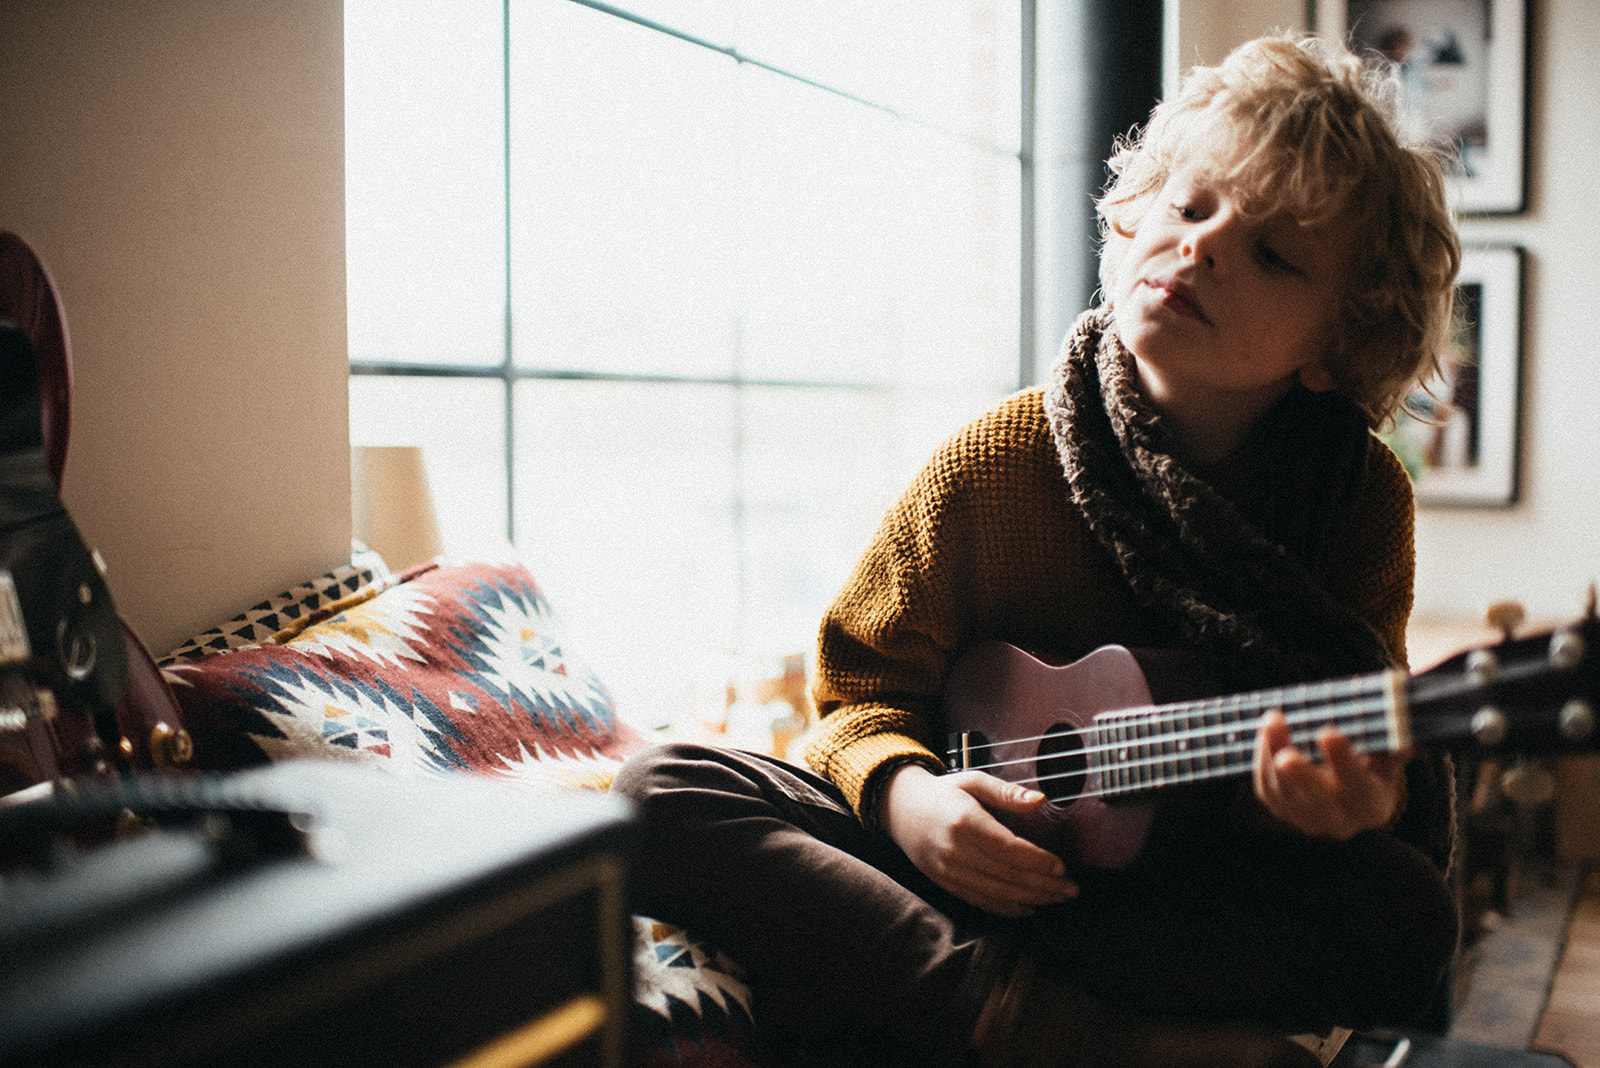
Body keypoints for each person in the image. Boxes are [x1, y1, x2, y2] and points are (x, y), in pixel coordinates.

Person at [614, 33, 1461, 1068]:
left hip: (1169, 905)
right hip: (956, 880)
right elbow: (857, 697)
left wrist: (1328, 812)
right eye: (1189, 207)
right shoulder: (994, 464)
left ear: (1341, 343)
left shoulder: (1355, 504)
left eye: (1273, 253)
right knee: (659, 786)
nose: (1200, 247)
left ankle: (942, 1003)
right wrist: (912, 801)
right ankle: (1068, 1036)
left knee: (1404, 914)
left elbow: (1319, 748)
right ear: (1134, 212)